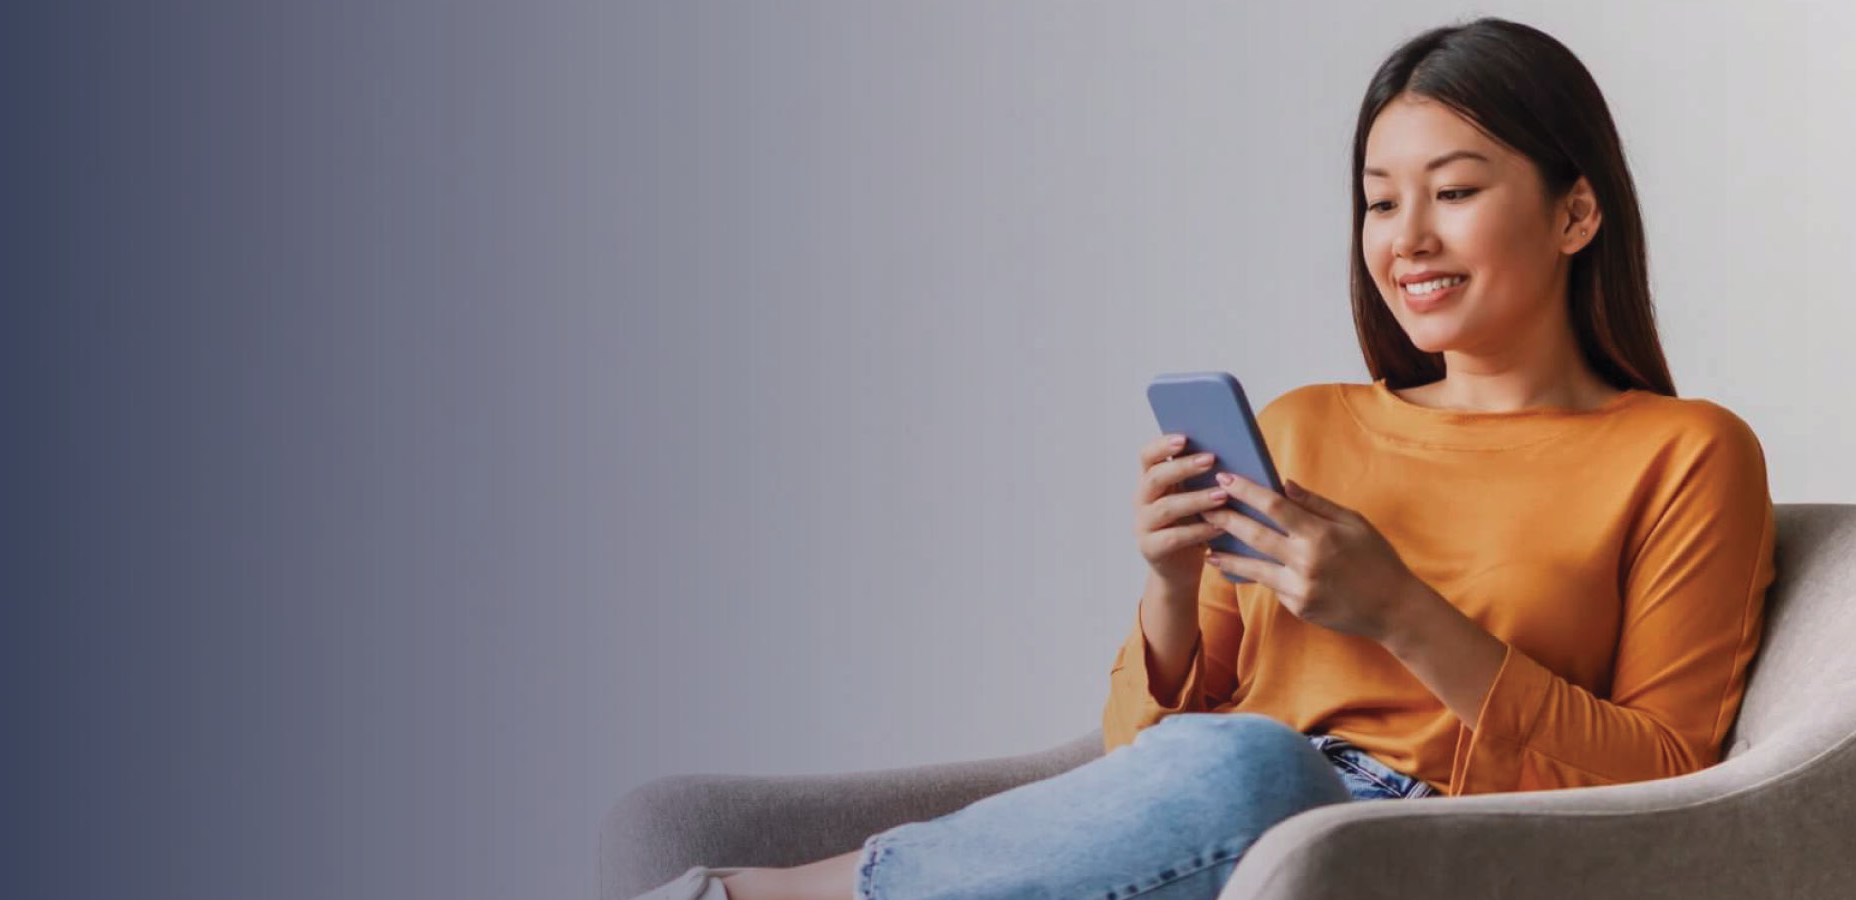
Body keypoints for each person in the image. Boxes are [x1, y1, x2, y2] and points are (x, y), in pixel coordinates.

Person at [633, 15, 1778, 900]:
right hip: (1201, 842)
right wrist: (1170, 584)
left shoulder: (1682, 453)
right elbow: (1137, 761)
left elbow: (1674, 780)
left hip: (1419, 846)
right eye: (1380, 202)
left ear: (1577, 214)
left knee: (1255, 772)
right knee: (1238, 766)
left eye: (1457, 191)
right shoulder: (1306, 425)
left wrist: (1401, 614)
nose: (1408, 238)